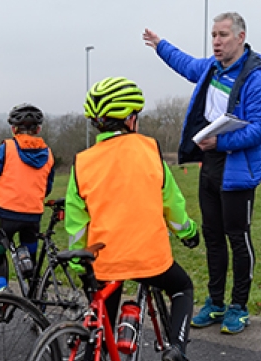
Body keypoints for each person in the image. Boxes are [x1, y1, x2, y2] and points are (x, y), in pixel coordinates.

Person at [143, 11, 261, 334]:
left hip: (238, 168)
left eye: (222, 36)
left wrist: (223, 140)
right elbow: (186, 64)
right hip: (210, 163)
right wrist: (160, 45)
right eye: (214, 36)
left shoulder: (257, 77)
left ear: (241, 38)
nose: (216, 42)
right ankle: (215, 302)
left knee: (237, 237)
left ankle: (238, 307)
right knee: (213, 237)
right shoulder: (211, 68)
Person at [65, 77, 199, 361]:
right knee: (182, 287)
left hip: (106, 262)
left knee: (101, 329)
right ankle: (177, 349)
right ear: (130, 118)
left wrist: (80, 262)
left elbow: (77, 225)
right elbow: (172, 207)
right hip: (151, 259)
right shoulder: (151, 152)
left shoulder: (82, 163)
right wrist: (188, 233)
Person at [0, 103, 54, 291]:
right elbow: (47, 187)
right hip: (33, 216)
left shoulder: (8, 148)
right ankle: (36, 298)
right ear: (38, 129)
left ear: (13, 129)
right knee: (30, 259)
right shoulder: (48, 153)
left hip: (5, 213)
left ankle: (4, 291)